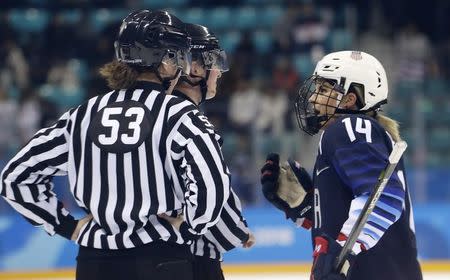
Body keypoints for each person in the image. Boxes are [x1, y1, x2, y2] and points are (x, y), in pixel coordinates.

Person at [0, 10, 231, 280]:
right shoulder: (180, 115)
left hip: (93, 264)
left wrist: (66, 226)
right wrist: (191, 227)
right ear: (166, 63)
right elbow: (212, 186)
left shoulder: (82, 115)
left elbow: (15, 178)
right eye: (178, 57)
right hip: (161, 260)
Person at [261, 51, 422, 280]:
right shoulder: (359, 133)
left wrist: (341, 254)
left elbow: (385, 197)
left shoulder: (350, 127)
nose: (314, 98)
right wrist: (304, 206)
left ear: (350, 99)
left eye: (324, 90)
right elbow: (350, 213)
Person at [161, 23, 255, 280]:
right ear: (193, 69)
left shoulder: (148, 114)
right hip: (191, 258)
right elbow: (211, 192)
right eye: (213, 63)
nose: (219, 73)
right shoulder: (190, 121)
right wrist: (238, 232)